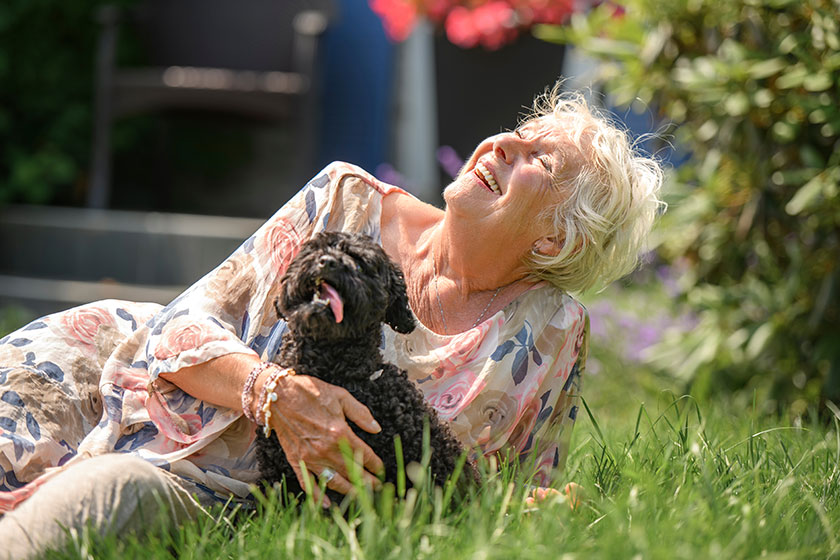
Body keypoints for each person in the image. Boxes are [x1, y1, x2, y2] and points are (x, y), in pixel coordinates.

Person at [0, 85, 664, 557]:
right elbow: (183, 325)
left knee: (107, 499)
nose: (502, 145)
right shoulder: (346, 198)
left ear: (552, 241)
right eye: (517, 134)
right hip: (123, 393)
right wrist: (274, 395)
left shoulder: (550, 333)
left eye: (537, 161)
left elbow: (508, 502)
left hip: (224, 498)